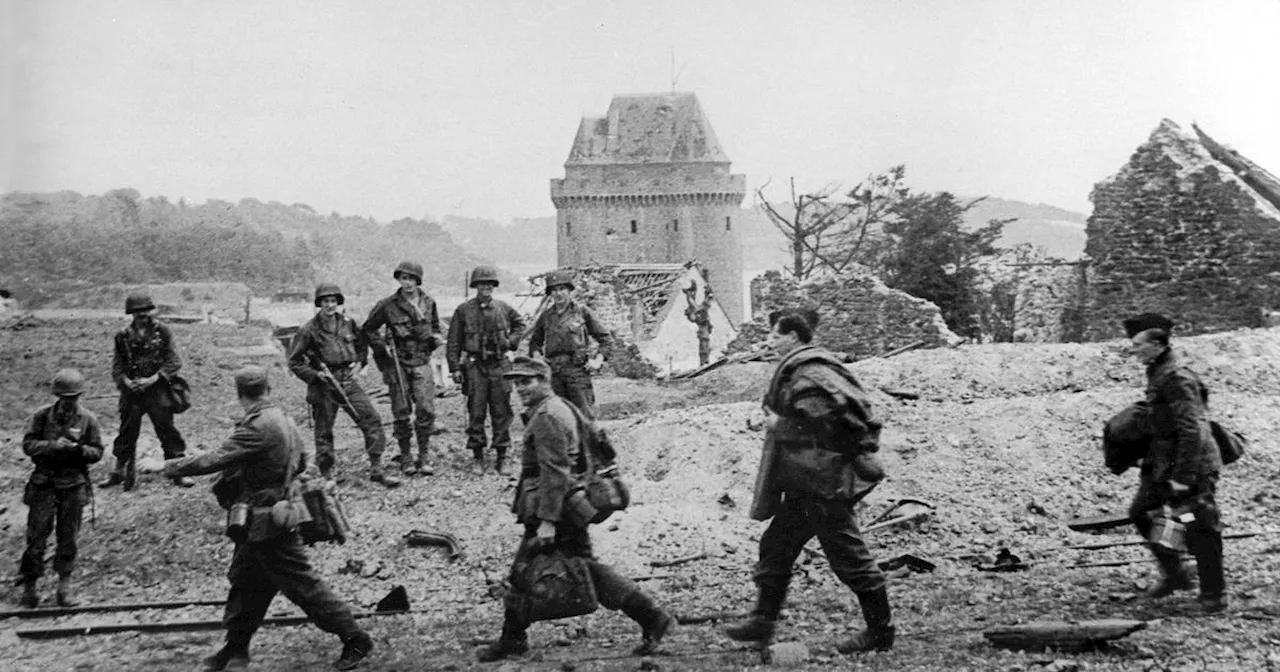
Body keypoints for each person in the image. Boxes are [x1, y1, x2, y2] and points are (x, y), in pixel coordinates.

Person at [164, 366, 374, 671]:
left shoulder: (257, 426)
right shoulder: (283, 418)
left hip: (268, 521)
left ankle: (356, 638)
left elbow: (214, 459)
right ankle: (235, 649)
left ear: (240, 394)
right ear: (267, 389)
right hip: (266, 517)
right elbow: (301, 462)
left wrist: (167, 466)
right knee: (246, 581)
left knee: (302, 585)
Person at [476, 356, 673, 662]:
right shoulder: (560, 407)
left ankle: (512, 639)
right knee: (585, 569)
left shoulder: (548, 416)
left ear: (545, 381)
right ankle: (651, 617)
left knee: (523, 570)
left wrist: (547, 522)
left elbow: (555, 473)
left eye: (527, 381)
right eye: (516, 383)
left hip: (555, 508)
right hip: (568, 505)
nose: (520, 389)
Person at [725, 308, 894, 654]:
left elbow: (825, 425)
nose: (769, 342)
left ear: (793, 336)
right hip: (808, 482)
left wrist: (778, 426)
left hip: (823, 483)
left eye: (775, 335)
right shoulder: (807, 369)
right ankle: (762, 622)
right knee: (776, 546)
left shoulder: (811, 372)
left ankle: (881, 631)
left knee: (850, 558)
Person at [1123, 312, 1226, 613]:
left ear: (1157, 344)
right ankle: (1176, 574)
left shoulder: (1176, 376)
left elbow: (1192, 429)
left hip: (1190, 465)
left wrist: (1183, 477)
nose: (1133, 350)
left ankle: (1214, 595)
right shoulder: (1158, 370)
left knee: (1199, 524)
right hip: (1164, 462)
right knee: (1142, 512)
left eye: (1138, 344)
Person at [287, 284, 398, 488]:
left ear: (338, 303)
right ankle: (327, 474)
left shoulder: (348, 324)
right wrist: (315, 375)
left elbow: (362, 346)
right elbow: (294, 361)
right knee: (324, 430)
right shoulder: (308, 329)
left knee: (371, 419)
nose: (330, 305)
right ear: (319, 304)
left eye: (333, 301)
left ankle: (376, 468)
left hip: (348, 379)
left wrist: (360, 363)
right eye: (325, 301)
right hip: (325, 384)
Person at [18, 369, 104, 608]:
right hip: (44, 484)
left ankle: (64, 588)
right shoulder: (42, 416)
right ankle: (30, 587)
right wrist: (53, 446)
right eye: (65, 398)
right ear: (57, 396)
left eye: (73, 398)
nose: (69, 402)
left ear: (79, 396)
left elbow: (97, 451)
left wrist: (79, 451)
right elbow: (28, 445)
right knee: (36, 537)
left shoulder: (88, 419)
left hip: (73, 485)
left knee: (68, 538)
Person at [101, 291, 192, 490]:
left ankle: (178, 471)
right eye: (137, 311)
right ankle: (118, 472)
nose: (141, 314)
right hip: (132, 392)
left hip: (157, 390)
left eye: (144, 310)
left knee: (166, 429)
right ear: (130, 313)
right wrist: (126, 381)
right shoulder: (122, 336)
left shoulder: (163, 331)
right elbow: (117, 366)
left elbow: (174, 361)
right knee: (126, 431)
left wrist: (152, 379)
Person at [362, 261, 442, 477]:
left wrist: (434, 338)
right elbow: (369, 329)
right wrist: (383, 349)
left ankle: (424, 455)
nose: (407, 283)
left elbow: (435, 328)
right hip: (398, 364)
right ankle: (406, 456)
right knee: (401, 411)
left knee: (426, 409)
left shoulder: (428, 302)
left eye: (411, 279)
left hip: (422, 361)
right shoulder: (388, 305)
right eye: (403, 278)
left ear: (418, 280)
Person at [446, 265, 525, 475]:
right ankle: (478, 456)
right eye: (481, 284)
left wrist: (511, 342)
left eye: (489, 284)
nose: (485, 287)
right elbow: (453, 342)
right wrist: (455, 368)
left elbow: (520, 324)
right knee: (476, 411)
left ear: (494, 286)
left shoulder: (503, 308)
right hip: (475, 366)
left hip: (499, 365)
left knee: (502, 411)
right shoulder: (463, 311)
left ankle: (503, 455)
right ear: (475, 286)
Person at [528, 270, 613, 419]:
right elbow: (535, 342)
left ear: (569, 290)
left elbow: (605, 339)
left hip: (577, 373)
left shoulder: (582, 312)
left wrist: (597, 361)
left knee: (584, 418)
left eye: (562, 289)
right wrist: (538, 359)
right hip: (554, 375)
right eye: (554, 290)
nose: (558, 294)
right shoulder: (546, 316)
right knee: (559, 419)